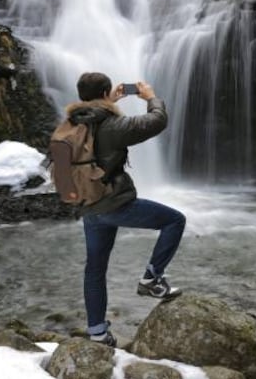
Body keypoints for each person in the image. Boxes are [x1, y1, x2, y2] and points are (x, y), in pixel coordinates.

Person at [66, 72, 186, 347]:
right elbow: (157, 121)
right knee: (174, 221)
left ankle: (97, 332)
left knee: (94, 269)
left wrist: (110, 101)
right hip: (114, 203)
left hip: (88, 205)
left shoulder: (72, 124)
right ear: (106, 92)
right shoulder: (112, 125)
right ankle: (151, 279)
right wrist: (151, 97)